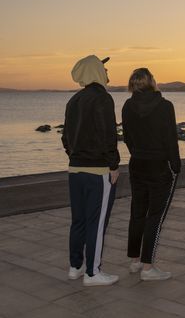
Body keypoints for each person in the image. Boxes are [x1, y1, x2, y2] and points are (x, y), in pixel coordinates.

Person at [61, 55, 120, 286]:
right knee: (96, 222)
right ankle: (93, 273)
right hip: (98, 171)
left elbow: (66, 138)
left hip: (75, 170)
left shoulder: (74, 100)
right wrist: (113, 165)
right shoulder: (103, 98)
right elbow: (108, 135)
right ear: (95, 71)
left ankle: (75, 267)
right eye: (104, 68)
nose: (107, 72)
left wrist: (75, 156)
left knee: (79, 221)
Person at [122, 68, 181, 281]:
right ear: (152, 82)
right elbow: (170, 139)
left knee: (138, 212)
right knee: (155, 216)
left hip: (137, 164)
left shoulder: (128, 106)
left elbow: (127, 137)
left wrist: (138, 153)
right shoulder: (165, 106)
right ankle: (148, 268)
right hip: (159, 166)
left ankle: (135, 261)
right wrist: (176, 166)